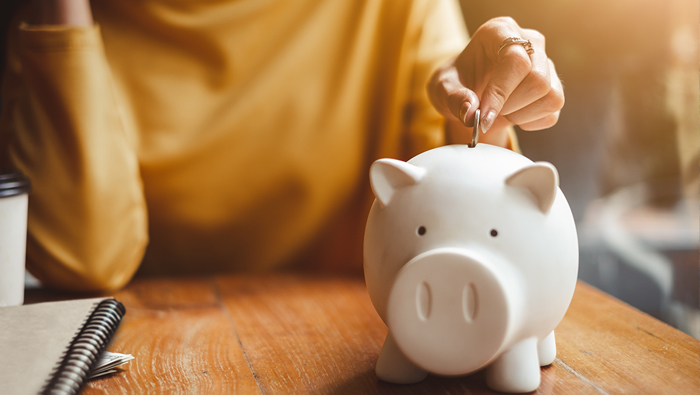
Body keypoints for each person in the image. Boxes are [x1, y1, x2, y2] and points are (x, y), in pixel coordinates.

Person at [0, 0, 564, 291]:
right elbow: (83, 258)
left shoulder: (388, 9)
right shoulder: (63, 25)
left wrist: (489, 111)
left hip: (357, 340)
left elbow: (462, 202)